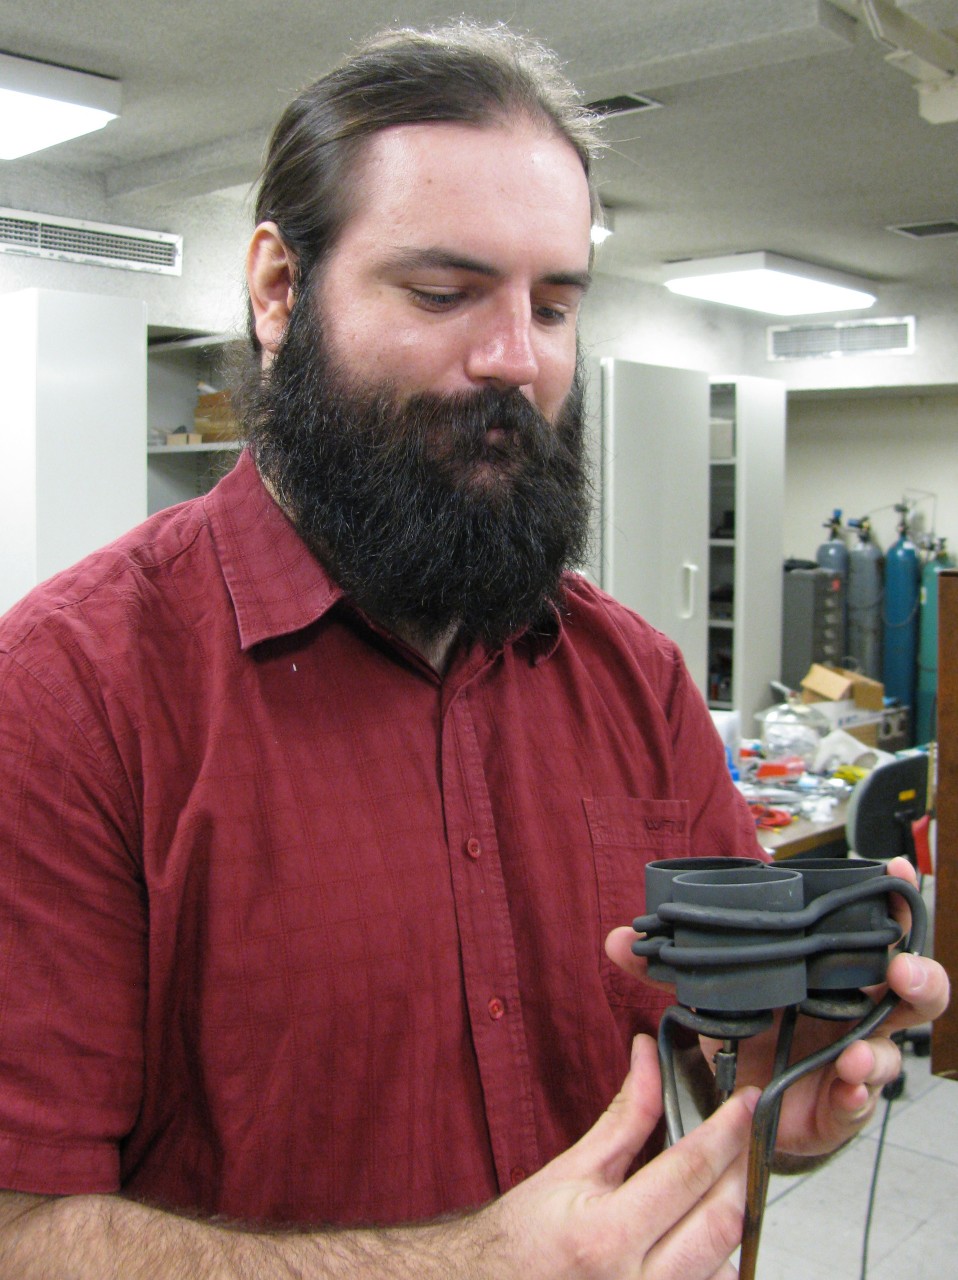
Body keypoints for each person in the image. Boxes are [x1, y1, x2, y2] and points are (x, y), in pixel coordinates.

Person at [0, 22, 947, 1279]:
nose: (516, 359)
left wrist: (777, 1091)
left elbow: (720, 1059)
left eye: (553, 305)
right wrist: (467, 1264)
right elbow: (20, 1226)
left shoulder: (636, 681)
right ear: (279, 290)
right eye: (443, 294)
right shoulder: (66, 696)